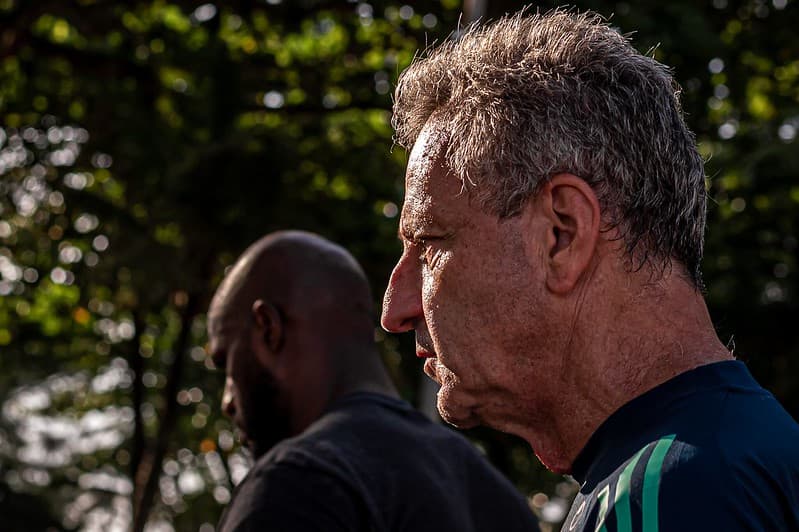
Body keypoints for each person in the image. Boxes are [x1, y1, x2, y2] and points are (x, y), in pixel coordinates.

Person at [380, 9, 799, 532]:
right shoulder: (742, 453)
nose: (395, 310)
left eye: (429, 246)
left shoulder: (662, 494)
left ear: (562, 233)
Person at [206, 230, 539, 531]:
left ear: (268, 329)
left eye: (227, 363)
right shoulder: (497, 498)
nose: (228, 400)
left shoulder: (297, 486)